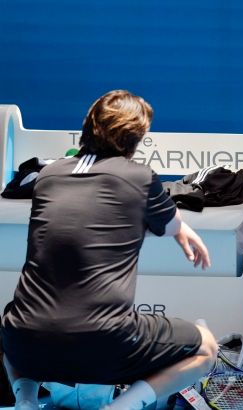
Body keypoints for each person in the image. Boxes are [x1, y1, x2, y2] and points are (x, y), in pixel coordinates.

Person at [0, 90, 218, 410]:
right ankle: (123, 407)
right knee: (206, 348)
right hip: (104, 346)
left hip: (26, 344)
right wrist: (182, 229)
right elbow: (172, 224)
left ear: (88, 126)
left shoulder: (49, 176)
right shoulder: (141, 178)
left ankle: (26, 402)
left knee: (15, 323)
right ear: (136, 138)